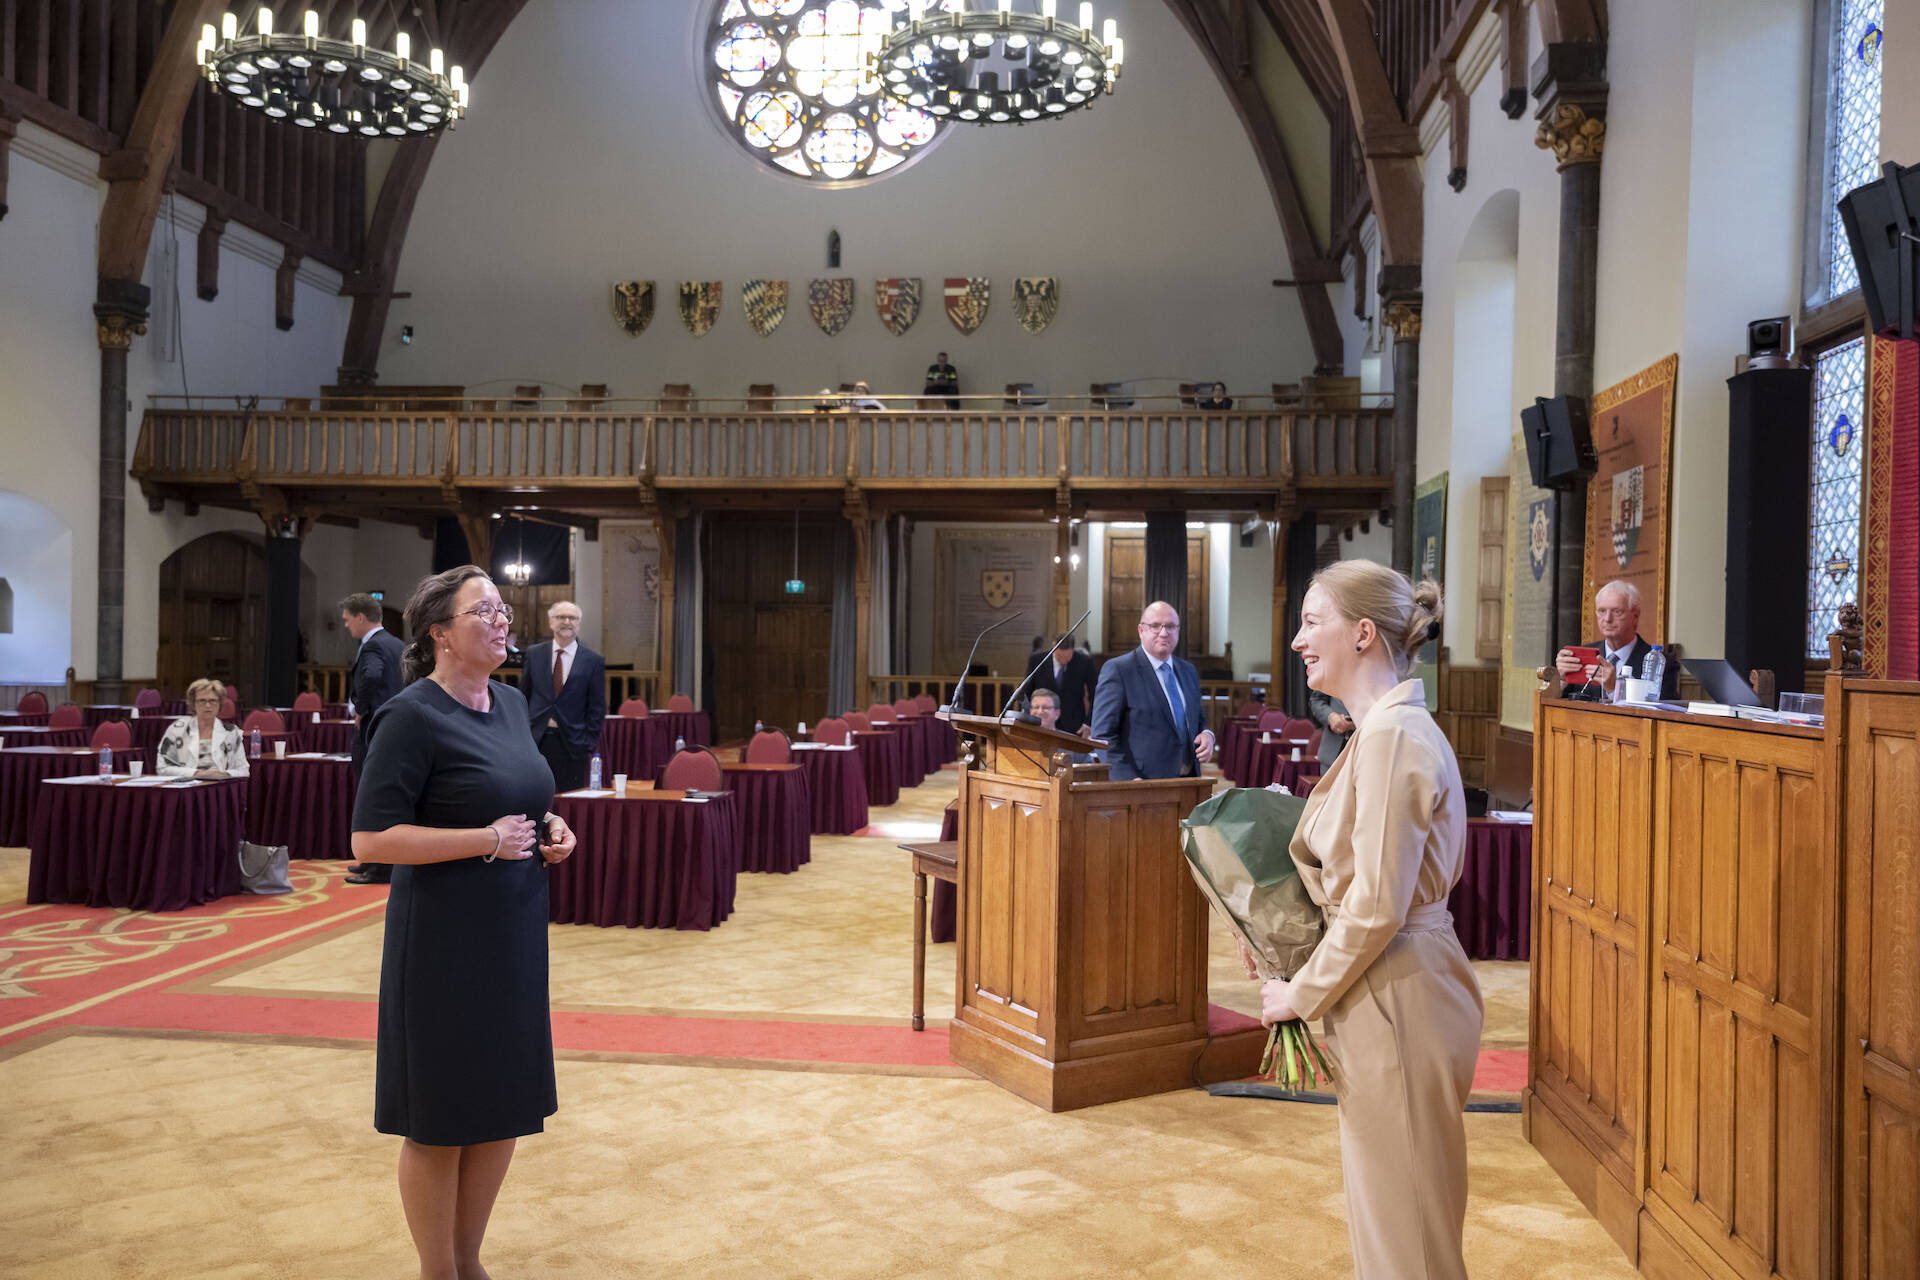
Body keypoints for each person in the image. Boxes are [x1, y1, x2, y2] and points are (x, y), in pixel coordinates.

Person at [1247, 560, 1480, 1280]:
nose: (1297, 641)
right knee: (1395, 1221)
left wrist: (1300, 992)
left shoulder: (1391, 738)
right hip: (1392, 986)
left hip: (1399, 991)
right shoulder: (1383, 731)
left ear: (1364, 633)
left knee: (1405, 1238)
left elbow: (1377, 904)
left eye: (1312, 620)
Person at [349, 564, 577, 1280]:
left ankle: (469, 1260)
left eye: (505, 609)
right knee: (441, 1117)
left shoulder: (511, 705)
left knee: (501, 1104)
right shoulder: (411, 715)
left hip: (511, 932)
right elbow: (371, 841)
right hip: (442, 942)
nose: (504, 620)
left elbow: (524, 796)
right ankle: (436, 1270)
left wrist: (554, 829)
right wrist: (483, 840)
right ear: (440, 633)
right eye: (485, 610)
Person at [1088, 601, 1215, 779]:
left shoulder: (1188, 671)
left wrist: (1207, 734)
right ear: (1141, 630)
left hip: (1189, 781)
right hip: (1142, 784)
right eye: (1155, 626)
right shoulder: (1119, 670)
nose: (1164, 633)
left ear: (1178, 631)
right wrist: (1127, 779)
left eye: (1170, 626)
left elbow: (1198, 719)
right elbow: (1102, 735)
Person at [341, 593, 407, 885]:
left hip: (374, 728)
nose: (346, 627)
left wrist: (360, 709)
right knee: (386, 796)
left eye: (347, 620)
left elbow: (371, 677)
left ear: (360, 617)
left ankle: (377, 866)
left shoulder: (373, 647)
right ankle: (373, 861)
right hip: (394, 726)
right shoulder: (396, 644)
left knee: (371, 796)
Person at [520, 600, 607, 793]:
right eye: (561, 617)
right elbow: (523, 695)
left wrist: (588, 743)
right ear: (551, 622)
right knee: (533, 795)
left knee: (570, 797)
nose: (567, 621)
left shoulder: (593, 661)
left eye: (572, 618)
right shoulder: (535, 654)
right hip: (536, 739)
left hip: (573, 742)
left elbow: (597, 707)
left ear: (579, 624)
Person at [1553, 579, 1679, 703]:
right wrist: (1560, 679)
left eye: (1617, 612)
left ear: (1635, 616)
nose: (1607, 619)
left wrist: (1615, 689)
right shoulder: (1582, 656)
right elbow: (1558, 703)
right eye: (1602, 611)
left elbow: (1664, 715)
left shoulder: (1663, 663)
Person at [155, 678, 249, 778]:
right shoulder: (177, 729)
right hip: (188, 787)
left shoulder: (231, 732)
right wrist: (197, 774)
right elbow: (162, 768)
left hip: (220, 788)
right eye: (202, 701)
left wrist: (222, 774)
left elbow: (244, 770)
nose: (207, 705)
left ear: (220, 704)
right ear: (193, 704)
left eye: (212, 700)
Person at [1030, 633, 1096, 734]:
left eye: (1068, 657)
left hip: (1074, 724)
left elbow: (1095, 694)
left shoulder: (1084, 662)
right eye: (1060, 656)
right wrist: (1028, 718)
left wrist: (1089, 723)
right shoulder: (1037, 660)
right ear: (1054, 647)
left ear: (1073, 650)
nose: (1064, 660)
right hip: (1042, 721)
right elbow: (1027, 691)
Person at [1307, 687, 1354, 771]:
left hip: (1367, 754)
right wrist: (1330, 716)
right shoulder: (1331, 673)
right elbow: (1316, 700)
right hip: (1332, 754)